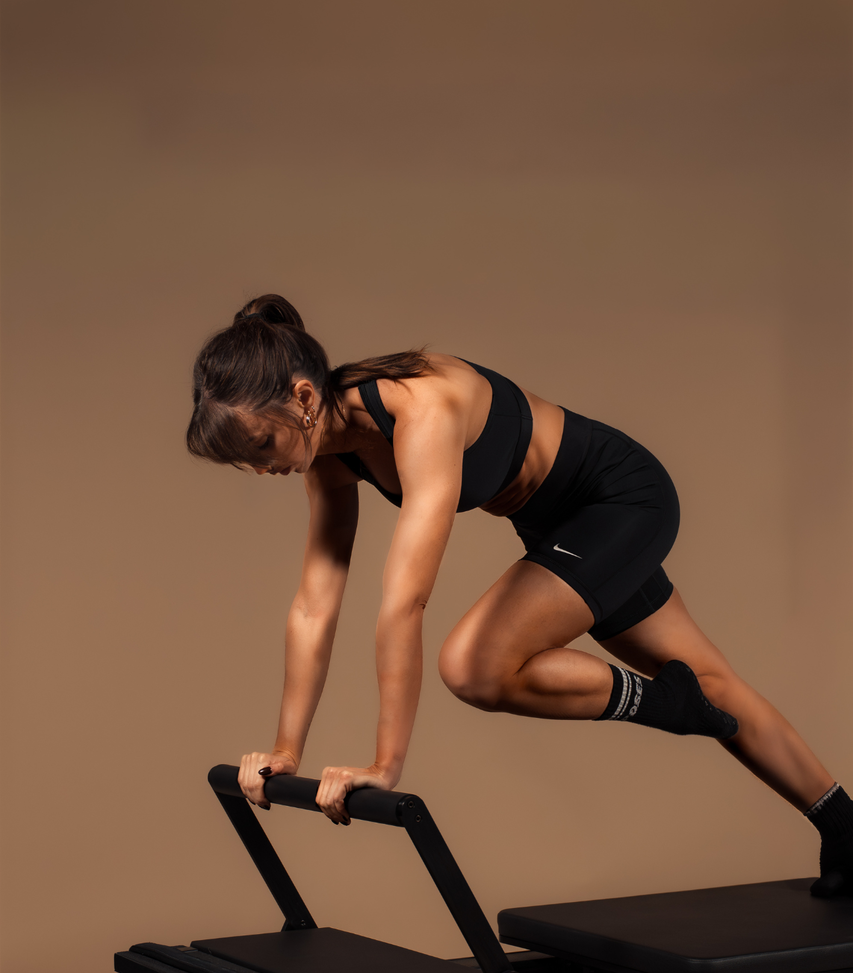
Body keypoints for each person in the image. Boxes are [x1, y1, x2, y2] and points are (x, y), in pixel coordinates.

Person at [187, 294, 852, 898]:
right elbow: (314, 604)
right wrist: (286, 751)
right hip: (559, 526)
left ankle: (664, 703)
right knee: (713, 684)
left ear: (303, 396)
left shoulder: (420, 408)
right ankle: (844, 826)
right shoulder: (329, 456)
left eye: (262, 444)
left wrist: (385, 765)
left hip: (618, 500)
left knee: (472, 666)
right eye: (246, 460)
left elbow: (404, 602)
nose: (262, 468)